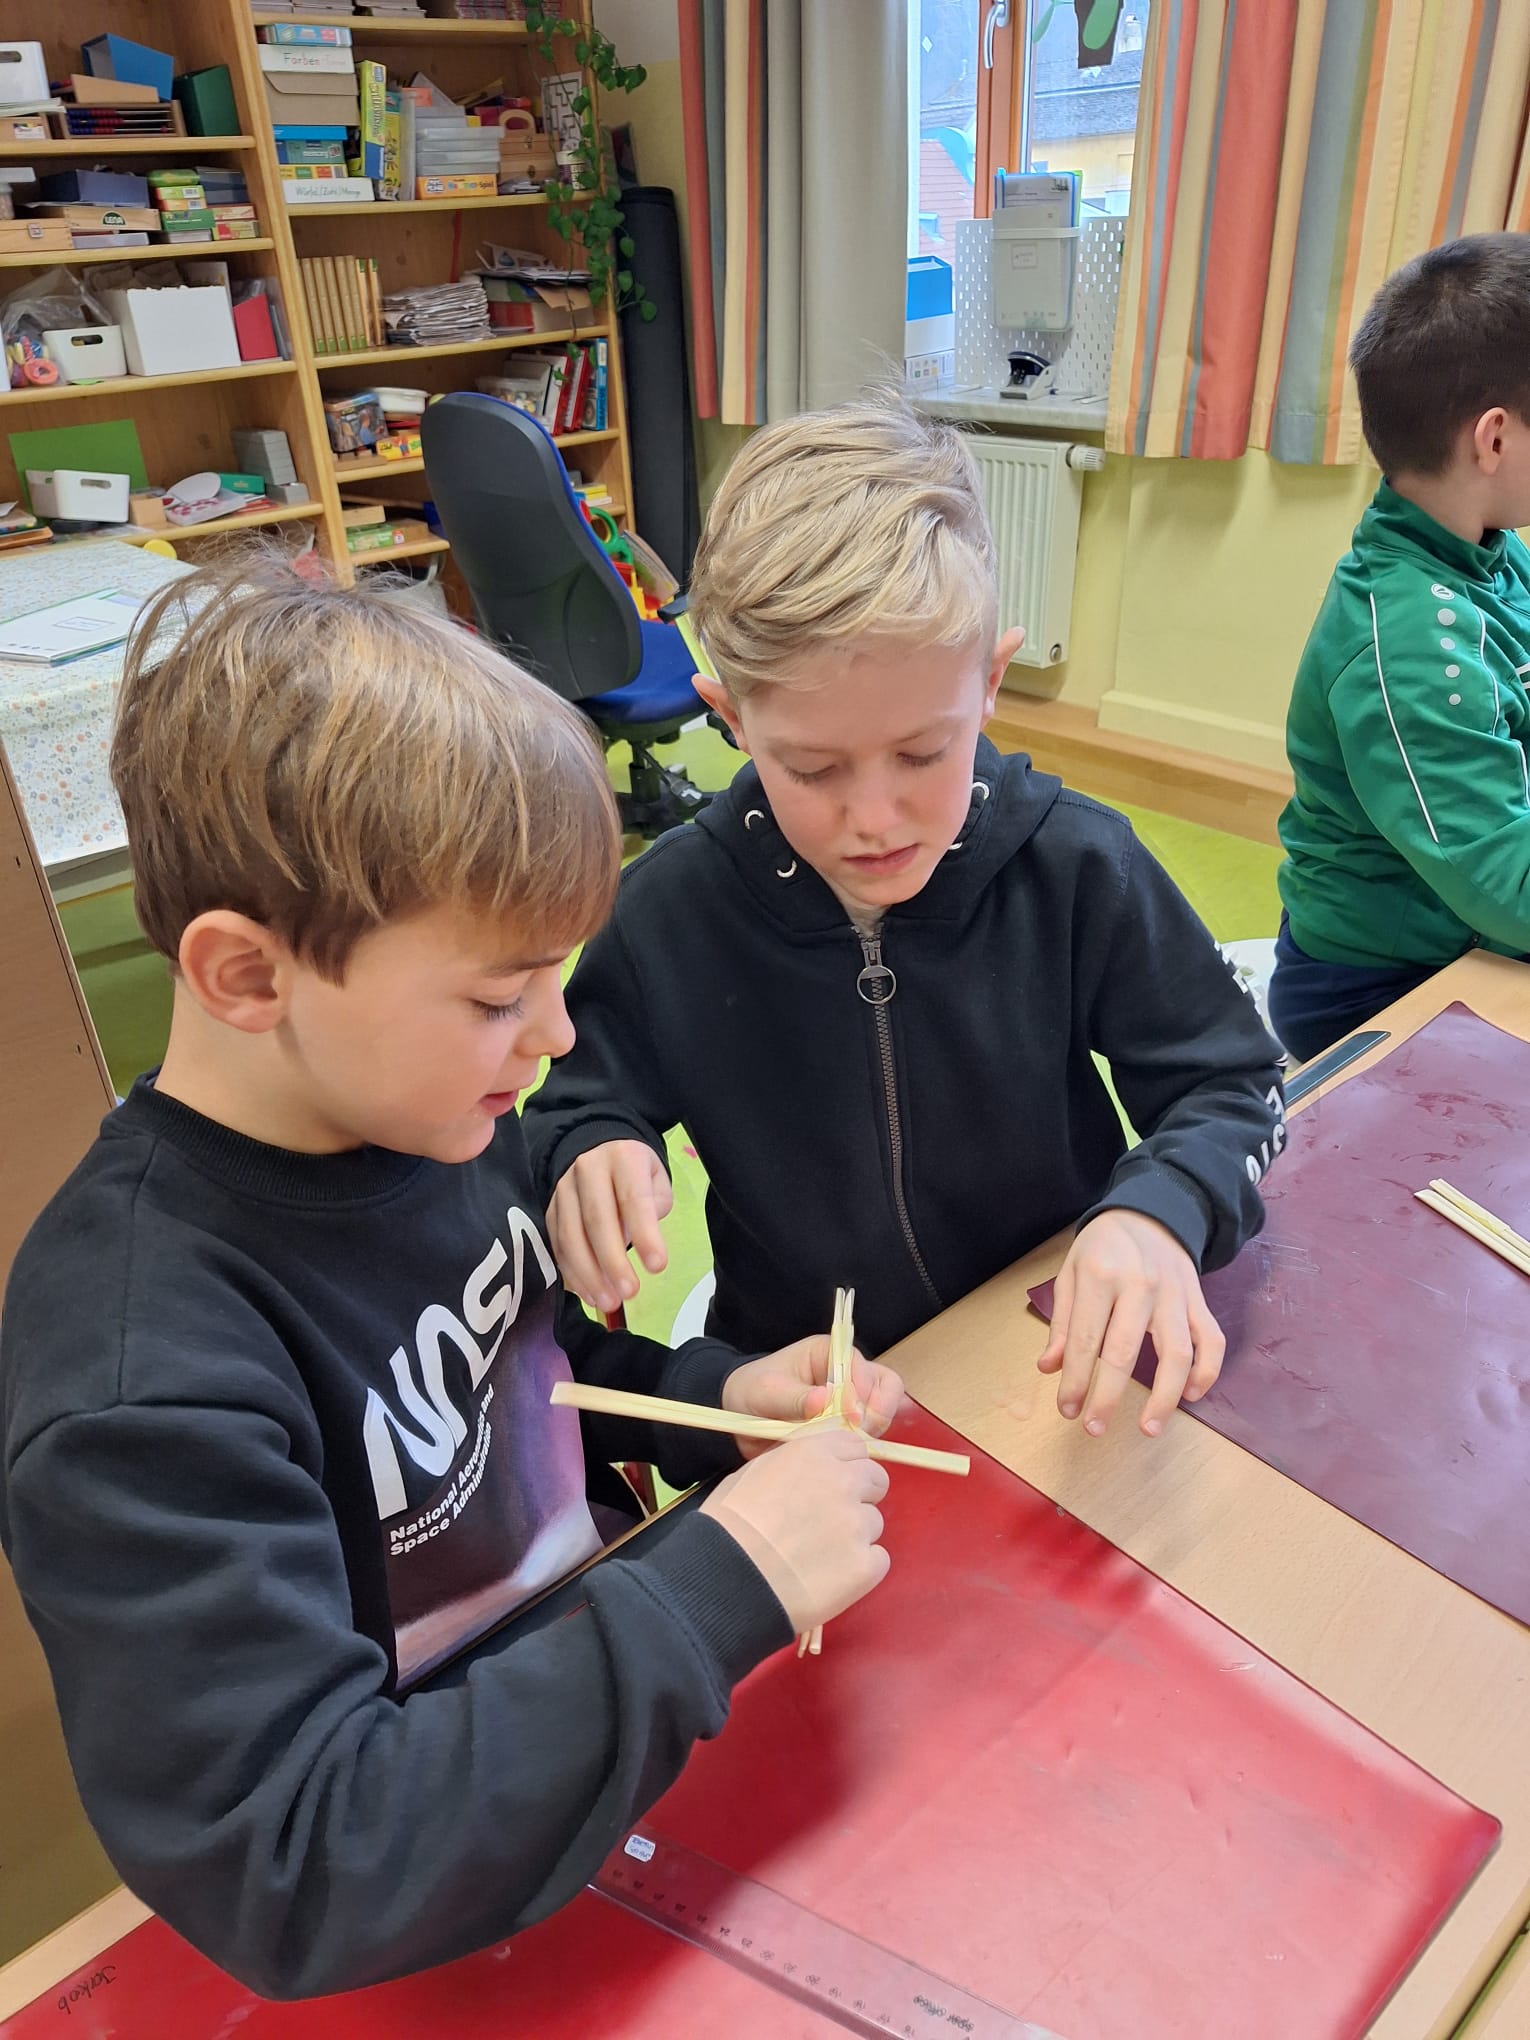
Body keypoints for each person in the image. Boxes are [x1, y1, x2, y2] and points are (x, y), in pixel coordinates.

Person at [0, 563, 900, 2001]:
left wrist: (711, 1403)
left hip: (610, 1775)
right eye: (495, 996)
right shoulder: (136, 1381)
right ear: (248, 977)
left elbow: (532, 1388)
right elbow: (299, 1862)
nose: (555, 1037)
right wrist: (716, 1588)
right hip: (435, 1921)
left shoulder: (429, 1117)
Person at [523, 392, 1286, 1442]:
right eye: (813, 768)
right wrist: (592, 1147)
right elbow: (571, 1103)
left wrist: (1161, 1210)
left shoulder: (1076, 867)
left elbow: (1232, 1081)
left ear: (992, 683)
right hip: (811, 1409)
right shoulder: (667, 915)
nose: (875, 819)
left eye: (923, 753)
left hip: (1048, 1363)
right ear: (731, 718)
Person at [1272, 232, 1530, 1063]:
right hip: (1373, 985)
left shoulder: (1488, 550)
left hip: (1481, 923)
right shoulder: (1413, 646)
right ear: (1493, 440)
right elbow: (1504, 884)